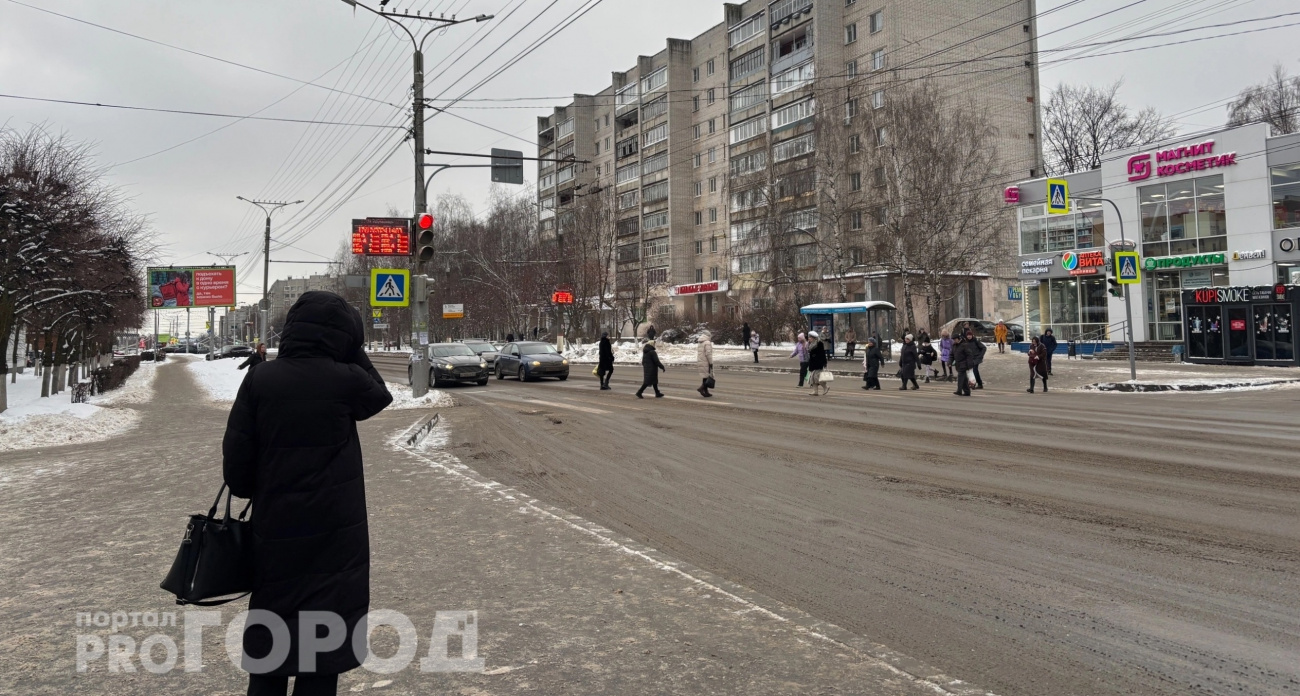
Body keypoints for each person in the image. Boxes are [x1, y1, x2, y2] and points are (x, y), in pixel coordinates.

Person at [222, 291, 393, 696]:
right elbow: (379, 395)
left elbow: (238, 471)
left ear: (293, 329)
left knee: (272, 644)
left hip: (276, 531)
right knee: (322, 651)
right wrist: (353, 351)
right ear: (345, 337)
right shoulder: (345, 380)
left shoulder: (261, 379)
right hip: (336, 534)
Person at [807, 331, 828, 396]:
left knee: (817, 377)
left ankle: (825, 387)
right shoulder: (811, 344)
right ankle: (815, 391)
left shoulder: (819, 343)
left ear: (814, 338)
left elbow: (822, 354)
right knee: (812, 378)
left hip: (818, 363)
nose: (809, 339)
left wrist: (824, 363)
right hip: (813, 363)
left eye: (810, 337)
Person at [696, 330, 714, 398]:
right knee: (708, 376)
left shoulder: (700, 342)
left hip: (701, 360)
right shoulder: (707, 342)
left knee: (705, 376)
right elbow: (708, 353)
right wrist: (711, 362)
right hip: (706, 361)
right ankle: (701, 388)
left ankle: (706, 391)